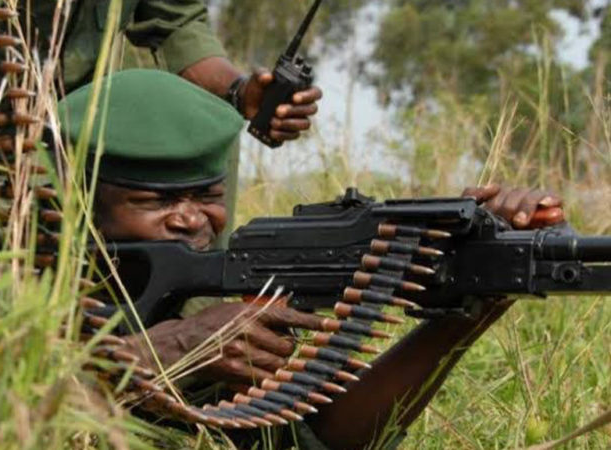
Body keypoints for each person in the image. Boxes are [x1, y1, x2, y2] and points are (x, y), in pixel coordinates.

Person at [45, 69, 565, 449]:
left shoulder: (202, 298)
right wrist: (173, 348)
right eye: (155, 200)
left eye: (207, 195)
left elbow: (321, 441)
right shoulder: (5, 278)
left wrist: (474, 296)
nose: (190, 219)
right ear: (76, 201)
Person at [0, 0, 321, 257]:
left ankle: (200, 304)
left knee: (203, 121)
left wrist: (239, 93)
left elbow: (179, 27)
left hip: (42, 118)